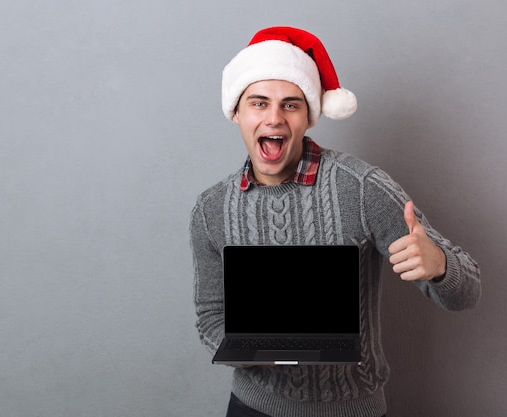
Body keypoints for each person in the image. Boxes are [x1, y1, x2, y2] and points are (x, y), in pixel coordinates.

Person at [190, 26, 481, 417]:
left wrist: (441, 267)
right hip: (251, 407)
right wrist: (255, 350)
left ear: (309, 116)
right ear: (236, 113)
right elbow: (209, 316)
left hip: (352, 410)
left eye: (291, 105)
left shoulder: (361, 188)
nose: (274, 118)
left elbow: (468, 292)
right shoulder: (211, 209)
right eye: (259, 103)